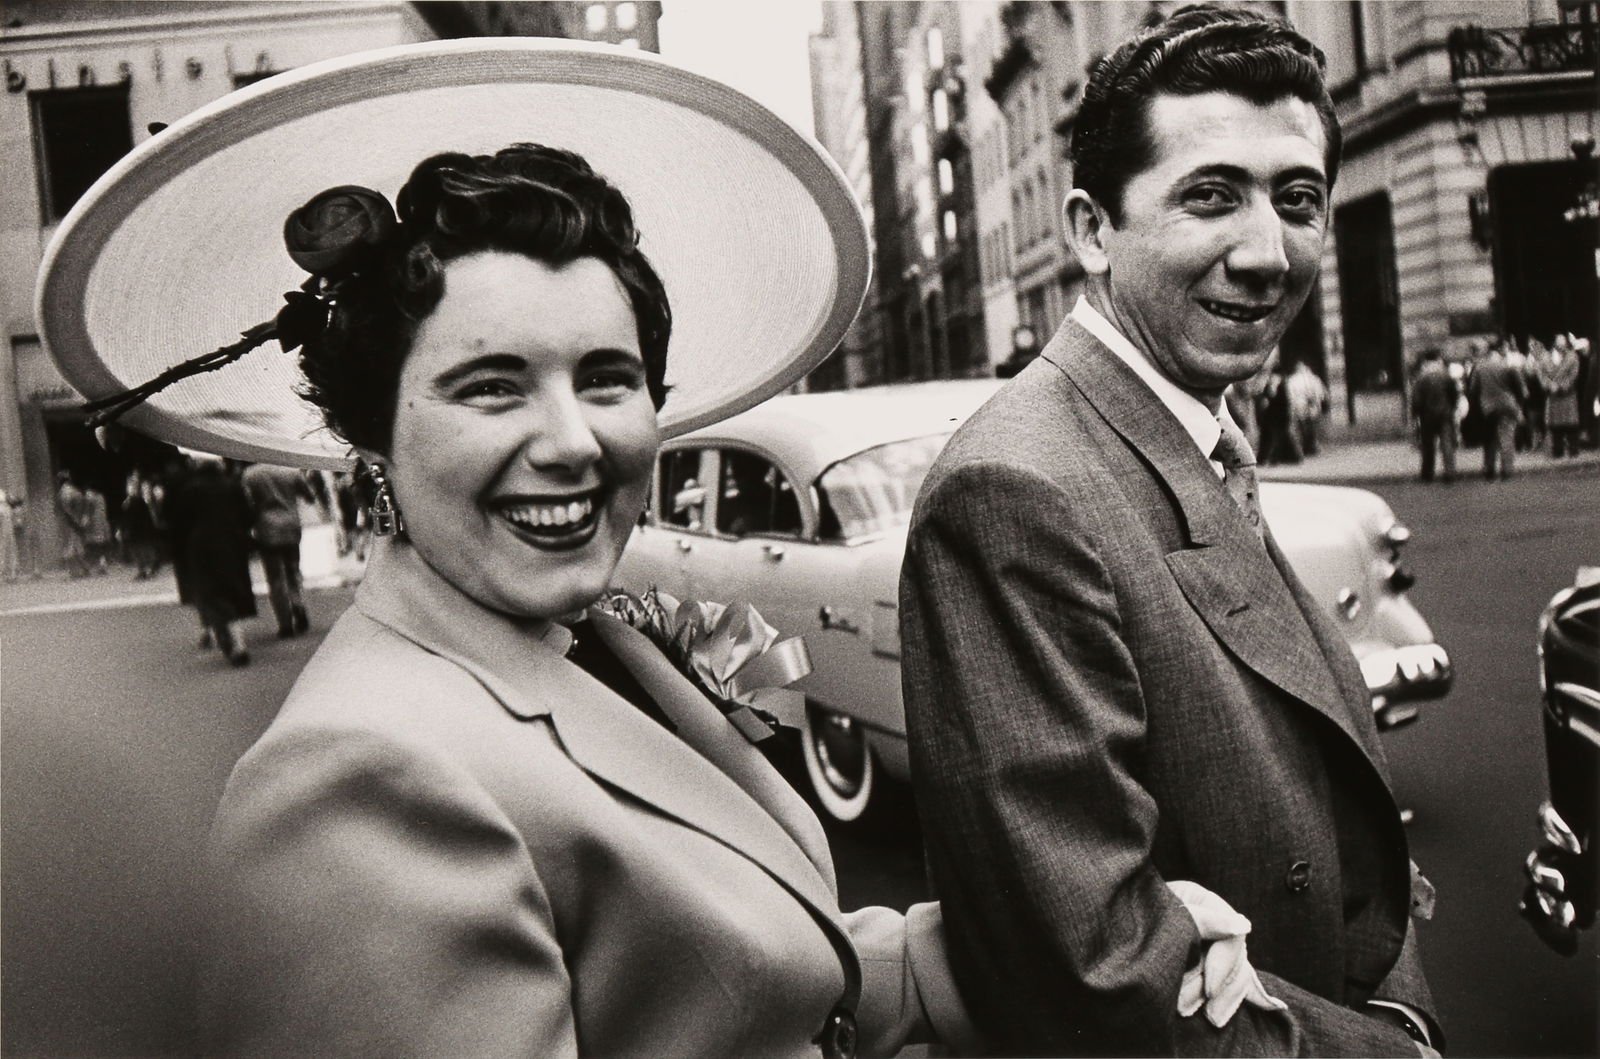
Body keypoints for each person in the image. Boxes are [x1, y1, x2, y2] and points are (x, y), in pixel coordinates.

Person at [35, 40, 1268, 1058]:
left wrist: (1107, 942)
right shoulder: (354, 786)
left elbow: (786, 981)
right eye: (490, 386)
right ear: (375, 439)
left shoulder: (600, 637)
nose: (573, 441)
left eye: (608, 378)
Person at [900, 8, 1440, 1056]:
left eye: (1297, 199)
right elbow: (1098, 982)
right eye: (1210, 196)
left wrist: (1404, 996)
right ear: (1090, 230)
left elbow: (1344, 829)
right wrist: (1396, 1049)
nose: (1266, 252)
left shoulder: (1193, 431)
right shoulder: (1016, 491)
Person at [164, 454, 256, 666]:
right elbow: (248, 515)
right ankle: (237, 641)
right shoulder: (232, 486)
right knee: (231, 590)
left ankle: (232, 642)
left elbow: (178, 523)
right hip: (232, 544)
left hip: (201, 547)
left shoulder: (191, 489)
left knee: (212, 594)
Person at [240, 462, 314, 637]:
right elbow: (309, 496)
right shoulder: (291, 470)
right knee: (293, 570)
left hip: (266, 529)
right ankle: (298, 604)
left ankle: (285, 623)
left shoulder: (250, 474)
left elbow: (246, 504)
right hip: (291, 526)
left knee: (275, 578)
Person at [1470, 340, 1528, 480]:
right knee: (1506, 438)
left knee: (1489, 439)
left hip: (1488, 408)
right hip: (1507, 405)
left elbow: (1473, 390)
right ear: (1499, 351)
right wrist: (1519, 403)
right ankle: (1506, 471)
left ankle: (1489, 470)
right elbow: (1523, 390)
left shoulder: (1479, 367)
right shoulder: (1508, 366)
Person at [1411, 350, 1459, 483]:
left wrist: (1415, 414)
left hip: (1427, 415)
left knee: (1428, 445)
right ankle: (1449, 472)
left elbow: (1416, 399)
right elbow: (1454, 394)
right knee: (1446, 443)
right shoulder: (1446, 375)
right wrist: (1453, 407)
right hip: (1445, 413)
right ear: (1438, 359)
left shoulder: (1421, 377)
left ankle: (1427, 473)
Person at [1538, 334, 1583, 458]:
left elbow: (1574, 374)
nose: (1561, 345)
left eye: (1563, 342)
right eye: (1559, 342)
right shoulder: (1545, 358)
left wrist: (1562, 386)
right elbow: (1541, 374)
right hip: (1553, 396)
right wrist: (1549, 385)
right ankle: (1558, 451)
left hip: (1567, 394)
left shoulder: (1572, 357)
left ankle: (1574, 451)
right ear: (1554, 343)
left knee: (1571, 425)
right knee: (1556, 425)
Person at [1284, 358, 1328, 456]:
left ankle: (1308, 446)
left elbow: (1290, 395)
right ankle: (1310, 446)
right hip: (1308, 405)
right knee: (1310, 427)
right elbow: (1322, 392)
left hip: (1302, 405)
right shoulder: (1313, 378)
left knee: (1304, 427)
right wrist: (1319, 401)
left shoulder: (1293, 380)